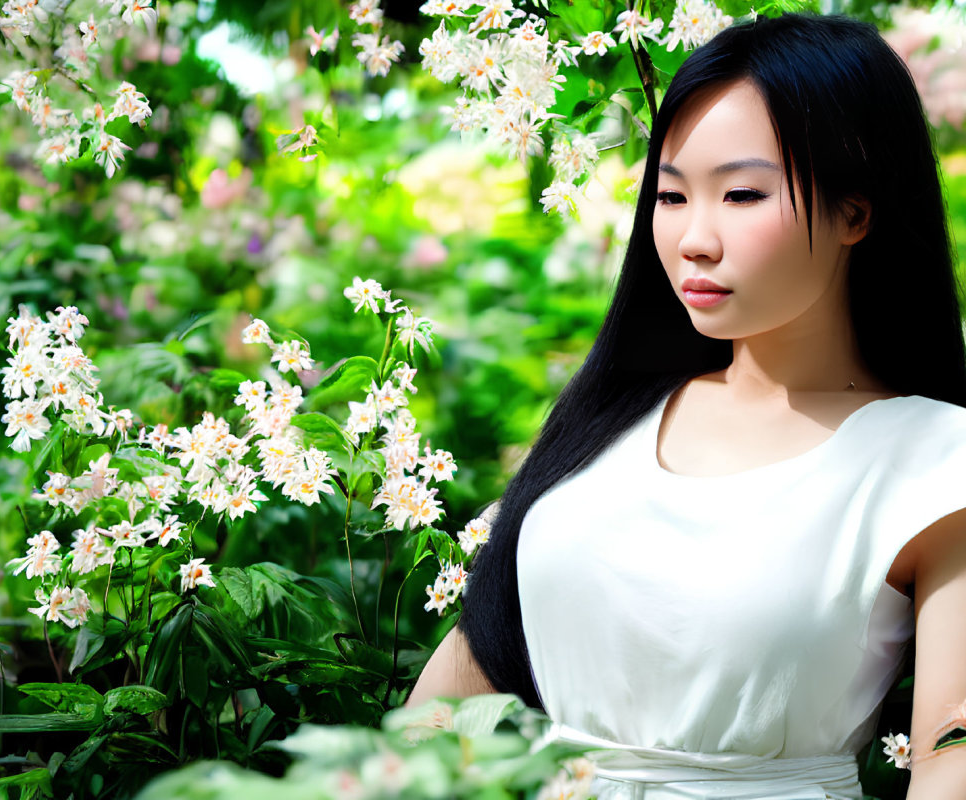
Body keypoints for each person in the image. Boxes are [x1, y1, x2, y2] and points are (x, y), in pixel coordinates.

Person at [408, 12, 966, 800]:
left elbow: (954, 753)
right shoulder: (612, 419)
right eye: (671, 196)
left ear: (855, 211)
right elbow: (445, 708)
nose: (694, 239)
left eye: (741, 194)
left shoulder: (935, 459)